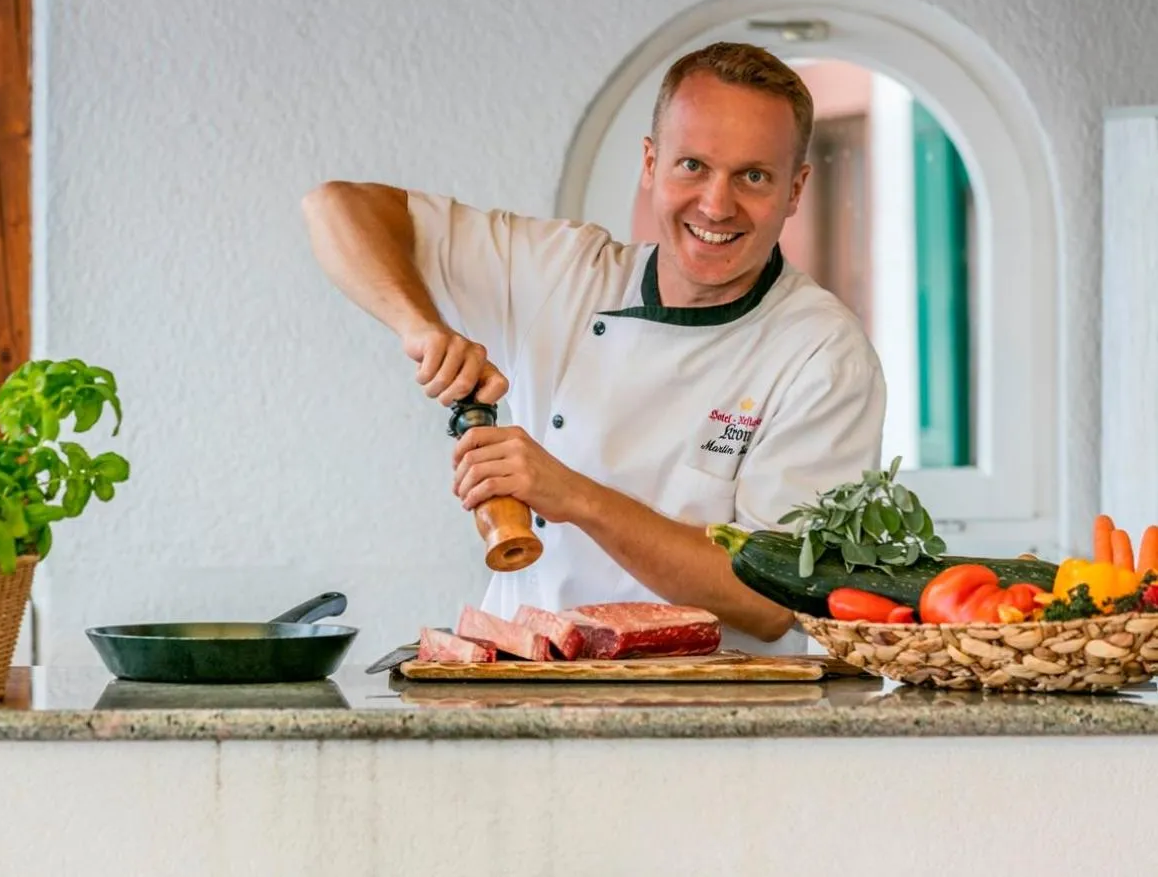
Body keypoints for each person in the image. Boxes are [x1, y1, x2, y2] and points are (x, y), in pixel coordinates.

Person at [302, 41, 886, 654]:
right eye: (692, 165)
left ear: (795, 190)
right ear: (650, 162)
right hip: (525, 680)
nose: (716, 205)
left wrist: (573, 495)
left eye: (754, 176)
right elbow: (337, 207)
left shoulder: (822, 353)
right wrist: (422, 327)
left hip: (708, 701)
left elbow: (774, 601)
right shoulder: (564, 272)